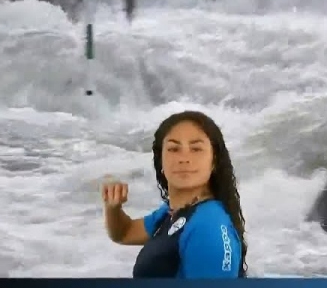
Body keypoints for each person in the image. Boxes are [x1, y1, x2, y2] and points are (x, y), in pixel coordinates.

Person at [101, 110, 248, 278]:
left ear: (213, 161)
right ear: (160, 161)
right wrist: (113, 207)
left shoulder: (208, 227)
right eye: (173, 149)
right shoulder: (174, 211)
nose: (184, 158)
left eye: (196, 149)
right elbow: (125, 233)